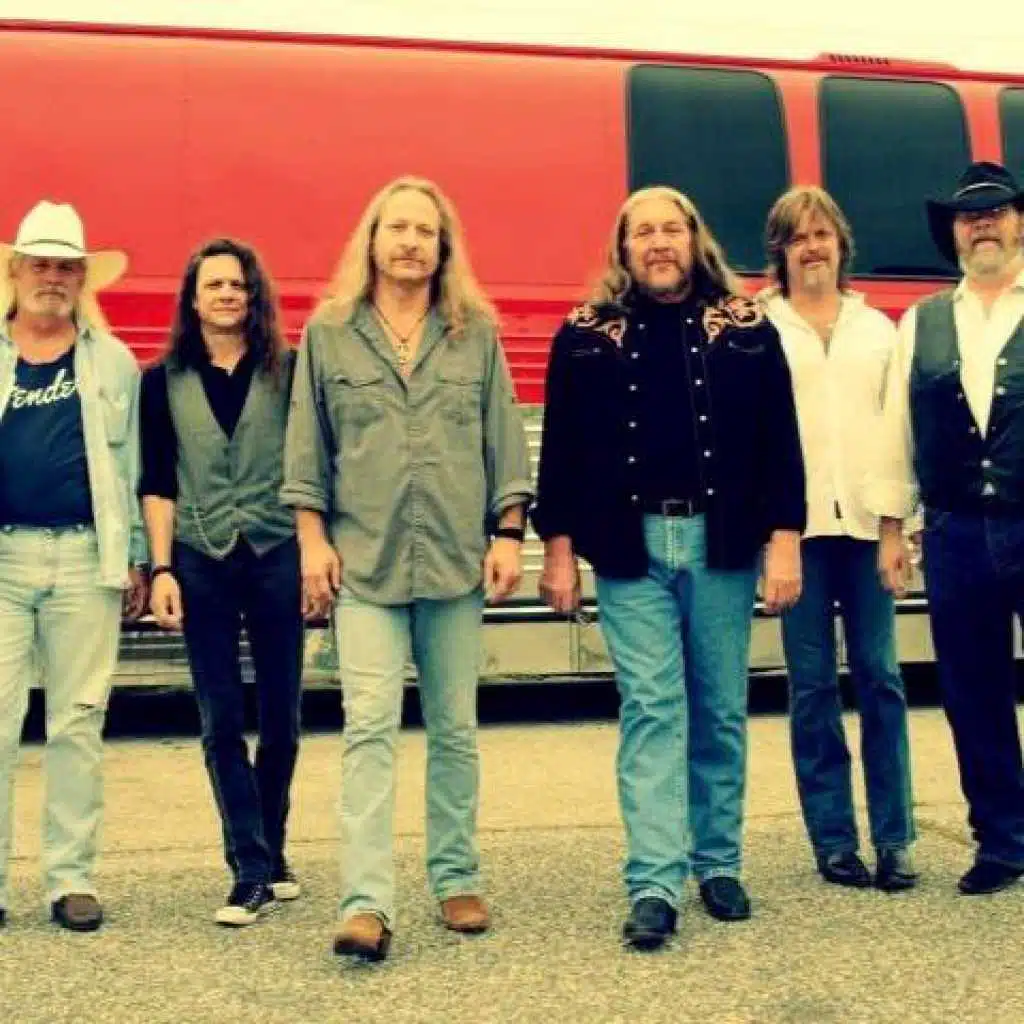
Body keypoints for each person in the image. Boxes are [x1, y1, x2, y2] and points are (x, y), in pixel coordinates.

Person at [532, 185, 805, 950]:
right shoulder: (584, 334)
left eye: (671, 229)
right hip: (629, 546)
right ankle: (654, 880)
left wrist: (786, 537)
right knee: (653, 710)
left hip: (722, 544)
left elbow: (780, 439)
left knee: (718, 709)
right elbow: (561, 449)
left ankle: (718, 863)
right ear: (623, 248)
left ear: (695, 238)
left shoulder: (747, 328)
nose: (658, 243)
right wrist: (558, 547)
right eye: (643, 231)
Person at [282, 176, 532, 961]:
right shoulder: (330, 334)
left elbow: (504, 439)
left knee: (455, 729)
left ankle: (456, 877)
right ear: (373, 239)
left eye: (426, 231)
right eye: (398, 228)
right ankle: (366, 902)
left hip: (456, 562)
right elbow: (306, 447)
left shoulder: (474, 333)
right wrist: (312, 542)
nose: (411, 243)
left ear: (442, 246)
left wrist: (508, 533)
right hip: (365, 564)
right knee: (368, 729)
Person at [140, 238, 303, 926]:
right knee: (221, 717)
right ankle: (249, 869)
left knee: (283, 716)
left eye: (238, 284)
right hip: (200, 556)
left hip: (276, 551)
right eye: (215, 285)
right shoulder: (162, 380)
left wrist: (318, 553)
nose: (228, 294)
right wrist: (162, 568)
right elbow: (157, 480)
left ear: (253, 295)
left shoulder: (289, 370)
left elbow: (312, 466)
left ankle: (273, 845)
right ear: (193, 298)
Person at [872, 161, 1024, 895]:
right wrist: (892, 528)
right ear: (954, 234)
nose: (983, 223)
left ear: (1020, 223)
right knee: (972, 690)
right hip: (957, 531)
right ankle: (1002, 840)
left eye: (997, 211)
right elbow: (896, 430)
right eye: (970, 216)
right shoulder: (922, 322)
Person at [762, 185, 917, 892]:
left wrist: (895, 529)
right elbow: (751, 441)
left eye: (822, 235)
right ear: (781, 251)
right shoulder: (761, 328)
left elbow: (898, 433)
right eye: (799, 238)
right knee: (813, 687)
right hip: (796, 536)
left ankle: (895, 838)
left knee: (881, 679)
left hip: (866, 528)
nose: (812, 248)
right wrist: (772, 537)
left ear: (841, 244)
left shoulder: (878, 330)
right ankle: (833, 840)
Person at [0, 200, 146, 931]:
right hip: (4, 558)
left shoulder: (112, 361)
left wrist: (140, 558)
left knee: (77, 724)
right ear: (15, 271)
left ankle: (70, 878)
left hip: (87, 557)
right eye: (40, 264)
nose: (51, 278)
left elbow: (133, 464)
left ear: (82, 279)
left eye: (65, 267)